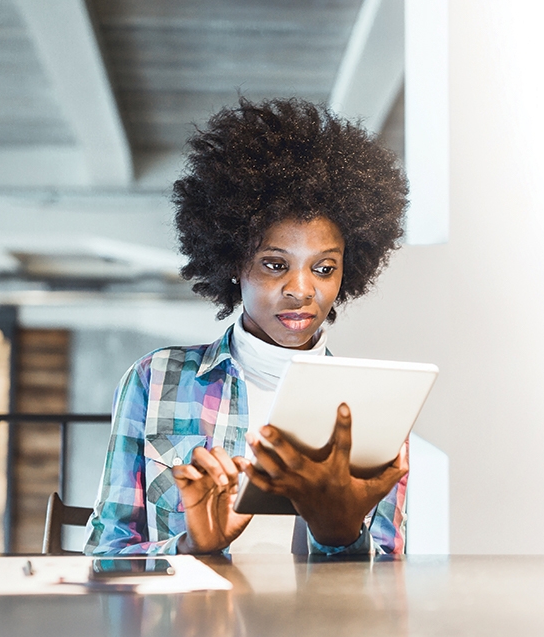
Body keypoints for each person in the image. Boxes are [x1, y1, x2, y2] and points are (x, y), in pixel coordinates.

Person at [84, 97, 410, 556]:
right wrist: (193, 548)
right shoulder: (155, 380)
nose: (302, 290)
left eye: (323, 268)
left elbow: (388, 587)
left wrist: (341, 537)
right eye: (276, 265)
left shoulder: (374, 406)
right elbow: (105, 555)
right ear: (235, 261)